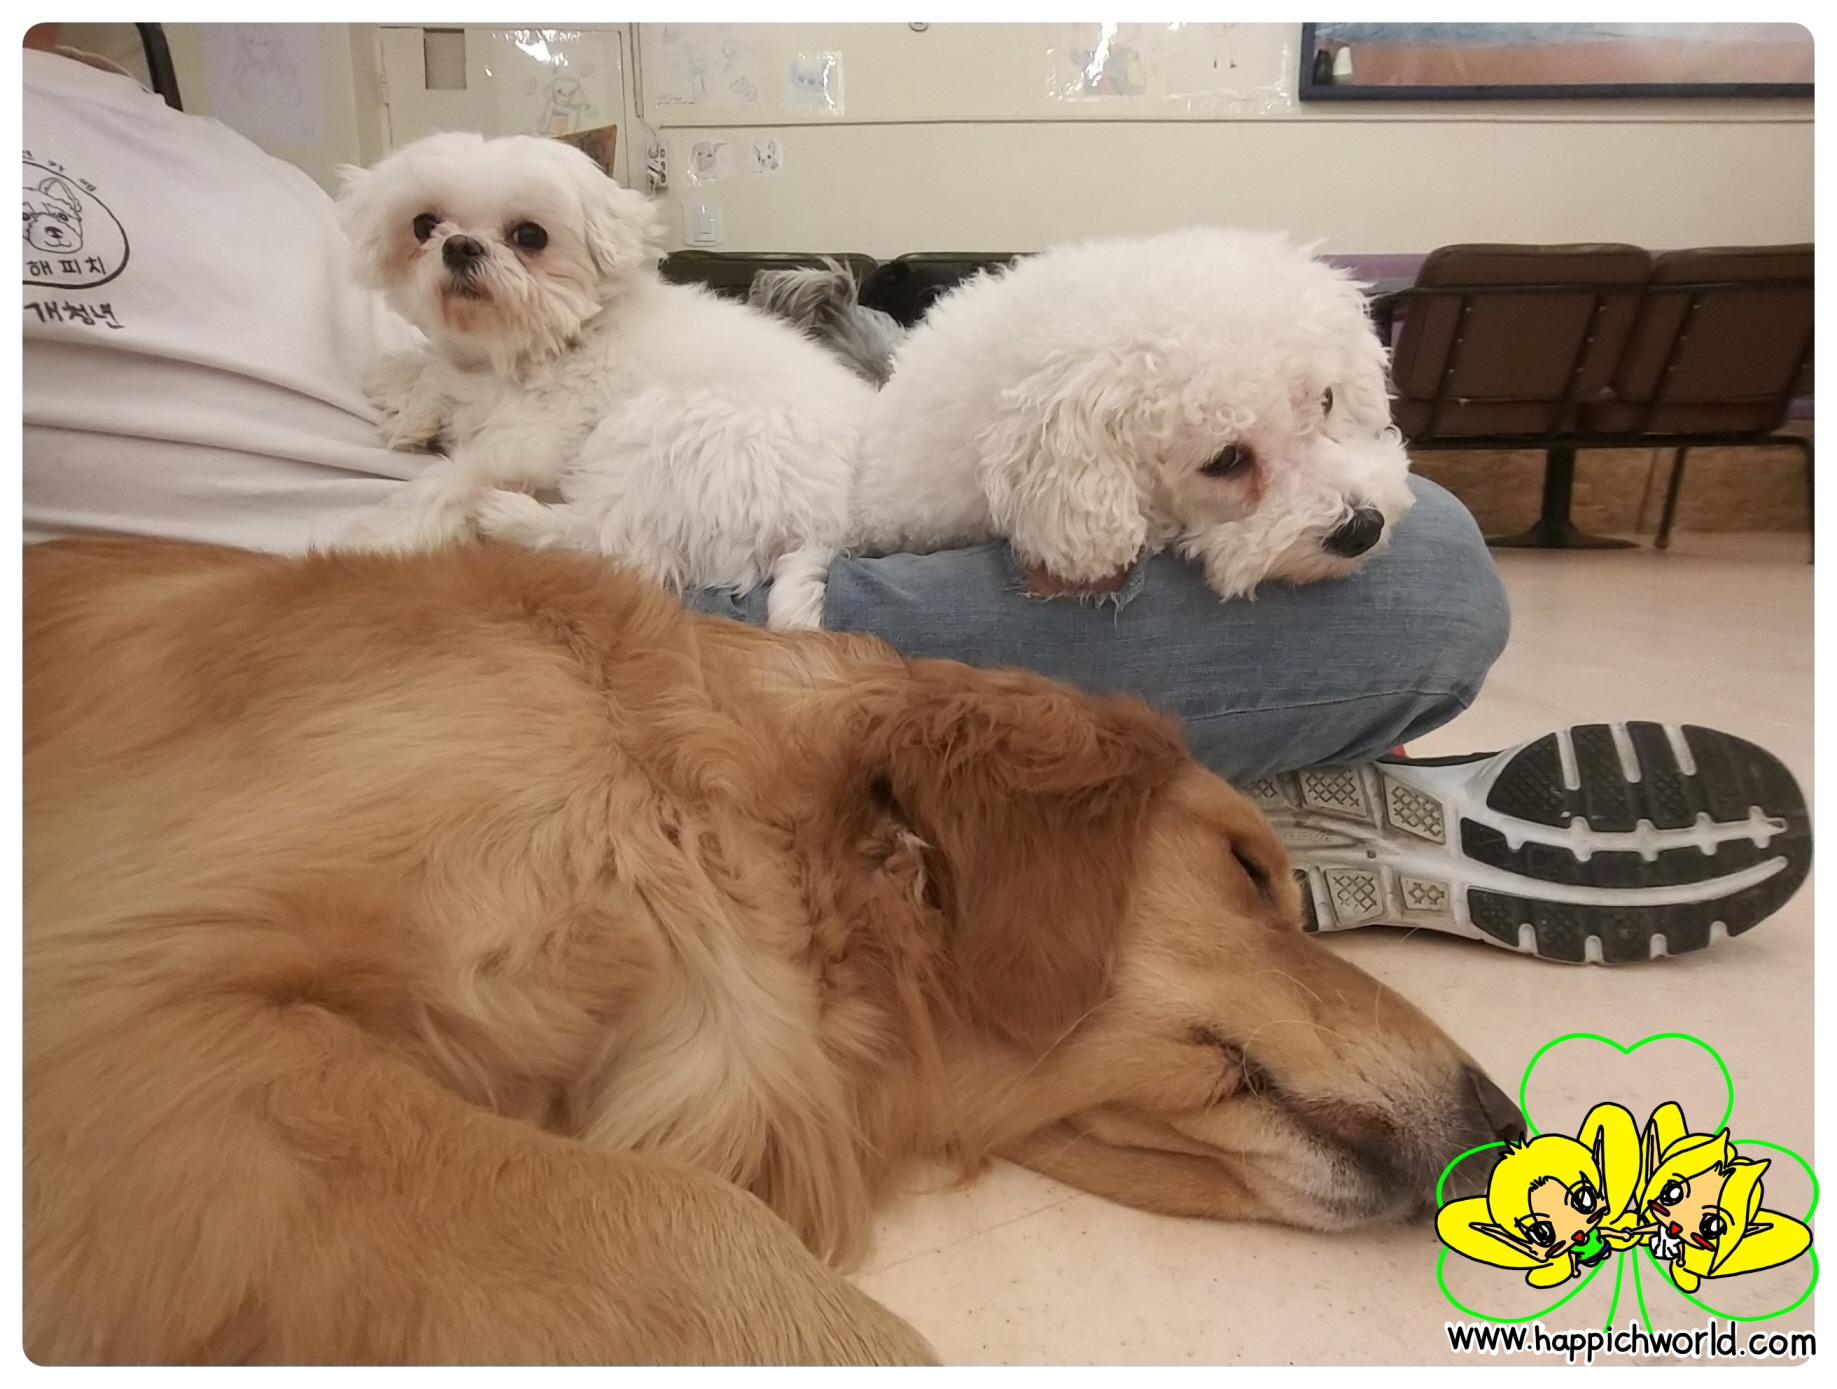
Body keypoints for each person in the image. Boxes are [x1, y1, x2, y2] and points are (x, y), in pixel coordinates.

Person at [22, 31, 1808, 963]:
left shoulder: (197, 139)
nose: (459, 257)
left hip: (648, 521)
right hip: (451, 609)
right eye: (431, 235)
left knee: (1408, 555)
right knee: (1423, 584)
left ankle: (1159, 821)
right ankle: (1209, 826)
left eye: (497, 237)